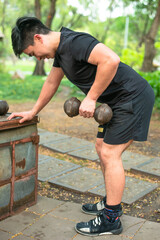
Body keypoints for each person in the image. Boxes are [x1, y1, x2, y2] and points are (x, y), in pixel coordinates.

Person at [9, 16, 155, 236]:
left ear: (38, 38)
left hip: (132, 97)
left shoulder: (74, 42)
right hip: (116, 102)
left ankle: (111, 219)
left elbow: (111, 60)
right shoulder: (60, 53)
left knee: (109, 153)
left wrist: (91, 97)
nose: (36, 58)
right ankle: (111, 203)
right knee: (100, 147)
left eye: (32, 53)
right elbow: (52, 82)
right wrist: (33, 111)